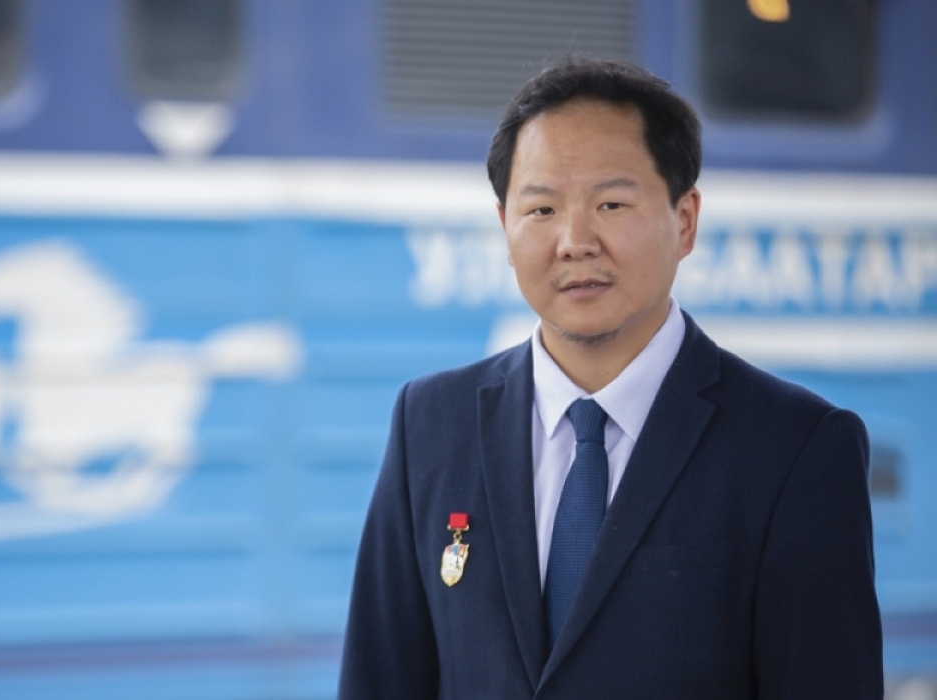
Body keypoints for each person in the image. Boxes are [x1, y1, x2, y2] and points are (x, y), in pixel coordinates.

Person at [337, 59, 882, 699]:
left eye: (611, 204)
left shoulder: (796, 448)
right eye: (542, 208)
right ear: (505, 229)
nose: (575, 241)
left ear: (685, 220)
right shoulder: (430, 424)